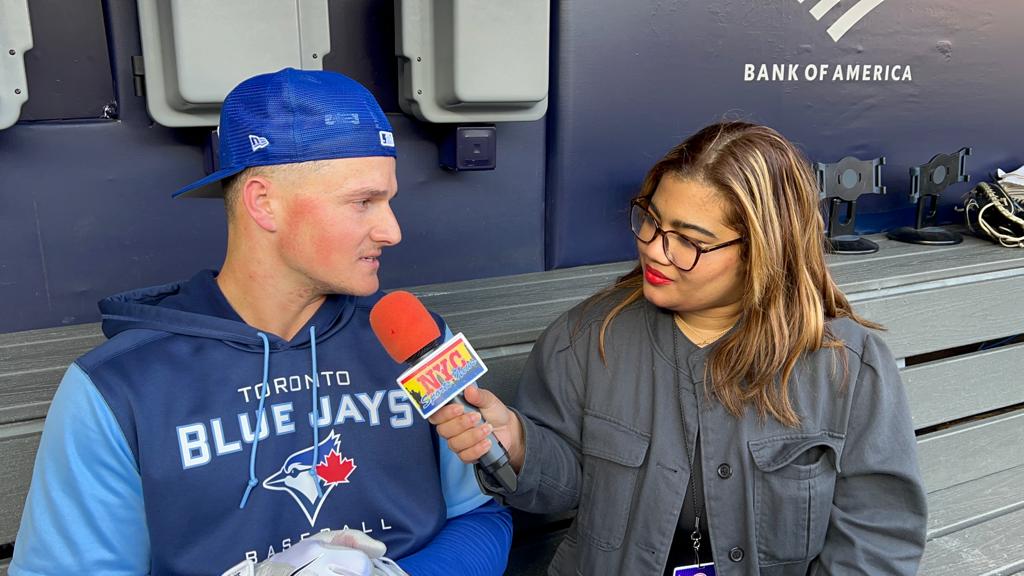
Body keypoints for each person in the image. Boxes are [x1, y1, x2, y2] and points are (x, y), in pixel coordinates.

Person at [10, 68, 511, 576]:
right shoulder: (118, 389)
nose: (392, 230)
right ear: (263, 202)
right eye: (363, 202)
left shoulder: (417, 341)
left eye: (388, 200)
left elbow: (482, 514)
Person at [432, 122, 928, 575]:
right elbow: (563, 488)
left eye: (688, 240)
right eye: (651, 219)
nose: (653, 247)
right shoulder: (585, 338)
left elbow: (878, 535)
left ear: (763, 250)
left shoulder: (847, 365)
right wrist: (518, 444)